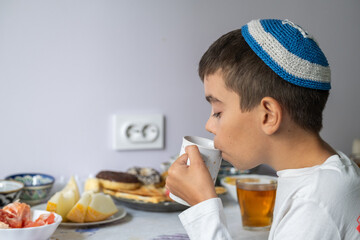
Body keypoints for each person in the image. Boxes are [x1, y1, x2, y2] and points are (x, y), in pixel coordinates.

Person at [166, 19, 360, 240]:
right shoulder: (331, 175)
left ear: (268, 116)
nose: (209, 125)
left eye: (218, 112)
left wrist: (203, 208)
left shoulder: (315, 202)